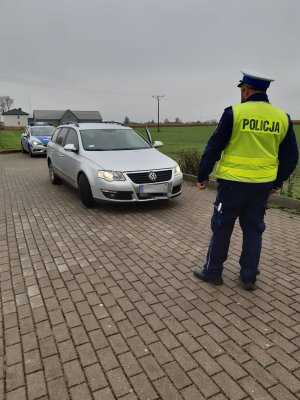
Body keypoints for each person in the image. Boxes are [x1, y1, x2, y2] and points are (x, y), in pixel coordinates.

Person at [194, 70, 299, 290]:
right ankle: (249, 277)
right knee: (253, 231)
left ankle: (213, 272)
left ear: (246, 90)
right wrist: (276, 182)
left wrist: (202, 176)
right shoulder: (282, 118)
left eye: (242, 90)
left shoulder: (234, 113)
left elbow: (213, 148)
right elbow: (291, 158)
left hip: (232, 185)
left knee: (222, 229)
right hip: (261, 187)